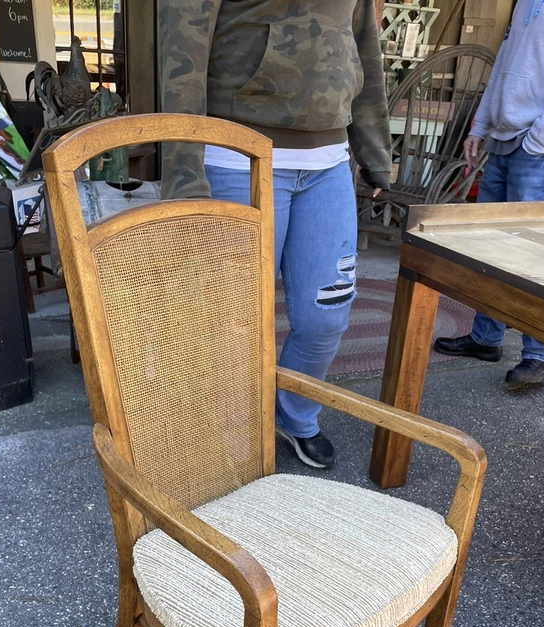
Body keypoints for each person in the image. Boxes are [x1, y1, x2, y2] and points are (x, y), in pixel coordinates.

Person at [160, 1, 391, 467]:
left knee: (326, 314)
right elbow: (179, 53)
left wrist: (375, 149)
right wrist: (185, 174)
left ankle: (294, 416)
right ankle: (229, 428)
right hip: (237, 159)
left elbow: (364, 46)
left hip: (328, 163)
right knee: (233, 318)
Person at [434, 0, 544, 388]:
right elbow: (506, 61)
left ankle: (539, 355)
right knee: (488, 249)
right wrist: (481, 124)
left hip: (538, 145)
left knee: (535, 257)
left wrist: (542, 138)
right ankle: (485, 338)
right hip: (506, 137)